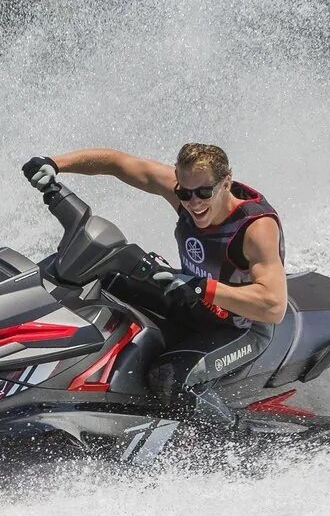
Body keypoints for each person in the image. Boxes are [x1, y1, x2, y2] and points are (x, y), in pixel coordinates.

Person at [22, 144, 286, 432]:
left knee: (170, 379)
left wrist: (201, 288)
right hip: (193, 301)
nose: (193, 203)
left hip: (241, 326)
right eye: (184, 193)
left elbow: (273, 306)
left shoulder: (255, 229)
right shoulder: (184, 190)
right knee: (103, 273)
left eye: (203, 193)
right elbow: (117, 163)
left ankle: (238, 439)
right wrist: (55, 164)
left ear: (226, 183)